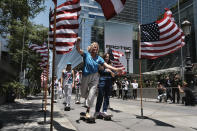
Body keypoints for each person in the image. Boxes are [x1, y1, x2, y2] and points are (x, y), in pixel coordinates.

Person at [76, 37, 122, 118]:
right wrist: (78, 43)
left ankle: (88, 111)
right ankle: (87, 99)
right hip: (86, 76)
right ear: (91, 48)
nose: (96, 49)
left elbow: (106, 65)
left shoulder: (99, 58)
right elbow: (78, 50)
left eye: (97, 48)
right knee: (83, 94)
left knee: (92, 94)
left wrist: (117, 69)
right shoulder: (86, 54)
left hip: (95, 77)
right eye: (94, 47)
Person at [94, 53, 116, 117]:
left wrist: (111, 72)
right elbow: (101, 71)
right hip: (102, 81)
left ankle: (104, 111)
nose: (107, 58)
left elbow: (114, 75)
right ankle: (97, 111)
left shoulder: (111, 65)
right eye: (106, 57)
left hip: (109, 82)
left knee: (107, 97)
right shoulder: (101, 64)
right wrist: (107, 70)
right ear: (103, 57)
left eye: (108, 57)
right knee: (100, 96)